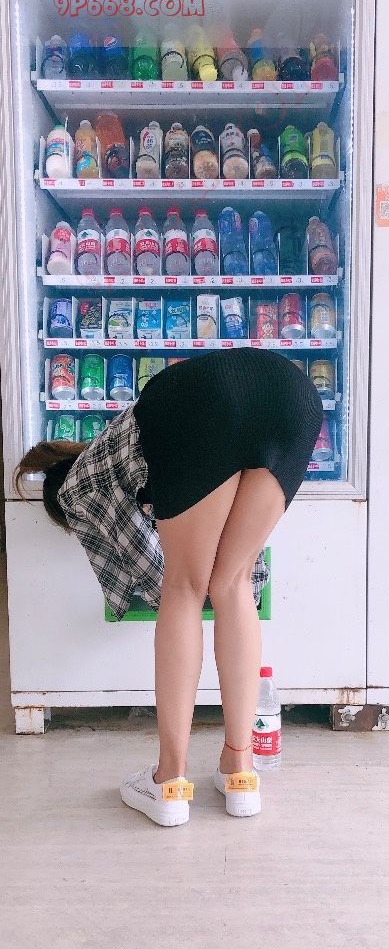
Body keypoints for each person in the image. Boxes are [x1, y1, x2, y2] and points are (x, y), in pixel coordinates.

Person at [15, 348, 323, 826]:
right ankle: (240, 770)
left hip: (200, 405)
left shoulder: (80, 487)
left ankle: (169, 781)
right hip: (293, 397)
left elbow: (152, 569)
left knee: (184, 588)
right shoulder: (119, 444)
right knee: (234, 582)